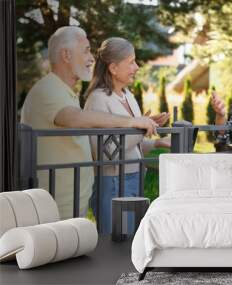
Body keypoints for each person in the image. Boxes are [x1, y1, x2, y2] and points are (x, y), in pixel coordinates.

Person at [21, 26, 158, 219]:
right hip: (56, 204)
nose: (92, 58)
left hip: (71, 201)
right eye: (85, 50)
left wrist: (151, 135)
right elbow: (77, 121)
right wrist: (134, 124)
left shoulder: (65, 92)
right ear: (66, 55)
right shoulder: (48, 90)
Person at [84, 37, 170, 233]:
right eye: (131, 62)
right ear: (113, 68)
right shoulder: (97, 100)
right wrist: (141, 128)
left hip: (134, 177)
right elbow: (106, 152)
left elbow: (131, 146)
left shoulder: (127, 96)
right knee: (116, 240)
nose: (137, 67)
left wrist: (157, 143)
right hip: (112, 182)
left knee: (133, 239)